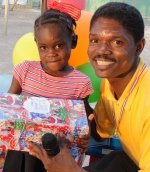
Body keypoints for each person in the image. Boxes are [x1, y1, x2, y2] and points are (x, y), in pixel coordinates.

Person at [27, 2, 150, 172]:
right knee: (117, 158)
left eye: (117, 42)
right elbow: (101, 131)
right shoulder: (110, 81)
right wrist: (76, 125)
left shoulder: (147, 102)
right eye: (95, 40)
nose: (102, 50)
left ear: (139, 47)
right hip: (129, 160)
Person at [3, 2, 93, 172]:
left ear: (72, 42)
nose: (51, 53)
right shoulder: (25, 70)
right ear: (37, 45)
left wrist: (85, 135)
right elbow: (9, 109)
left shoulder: (81, 83)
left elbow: (84, 120)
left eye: (59, 45)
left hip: (56, 153)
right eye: (43, 47)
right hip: (23, 150)